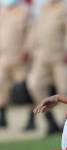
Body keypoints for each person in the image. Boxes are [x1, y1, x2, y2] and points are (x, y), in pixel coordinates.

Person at [27, 0, 67, 134]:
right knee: (34, 84)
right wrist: (30, 49)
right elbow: (36, 29)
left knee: (65, 89)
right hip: (42, 54)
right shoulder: (44, 8)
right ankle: (50, 120)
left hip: (60, 54)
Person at [0, 0, 32, 128]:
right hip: (4, 56)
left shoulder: (24, 11)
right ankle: (2, 116)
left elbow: (30, 33)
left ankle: (31, 119)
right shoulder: (3, 11)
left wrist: (27, 50)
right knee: (2, 86)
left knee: (25, 88)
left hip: (20, 57)